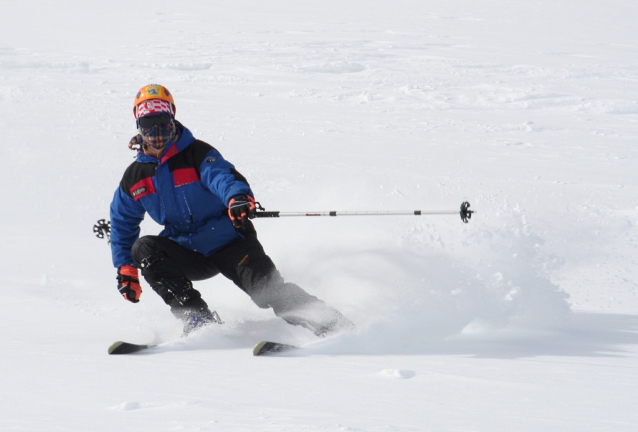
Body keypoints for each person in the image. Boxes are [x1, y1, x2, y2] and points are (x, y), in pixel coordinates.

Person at [110, 84, 353, 336]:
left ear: (172, 117)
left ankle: (333, 326)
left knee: (266, 290)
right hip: (186, 251)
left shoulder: (197, 154)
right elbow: (121, 221)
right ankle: (198, 321)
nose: (156, 131)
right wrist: (125, 267)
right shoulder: (135, 177)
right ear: (138, 125)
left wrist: (237, 198)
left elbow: (222, 176)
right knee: (144, 248)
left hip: (229, 241)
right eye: (148, 123)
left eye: (162, 120)